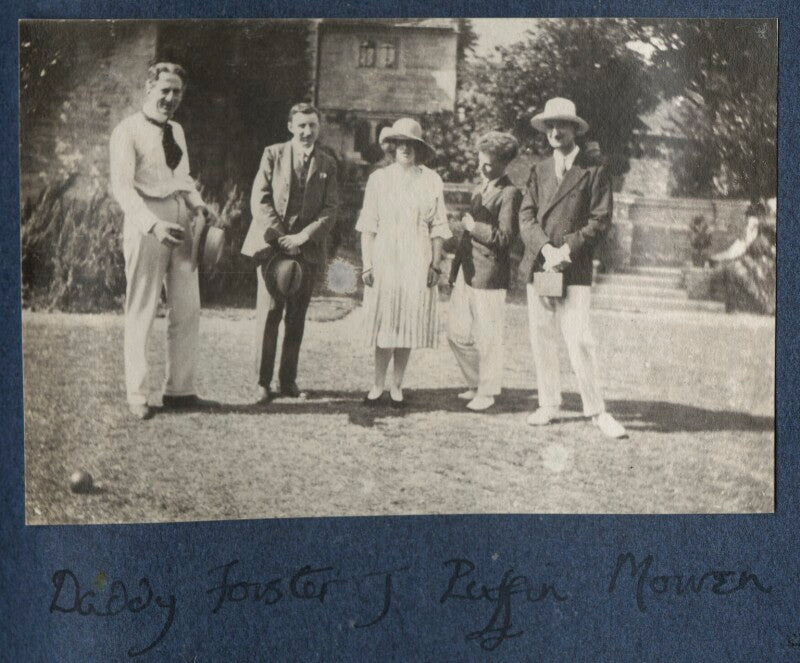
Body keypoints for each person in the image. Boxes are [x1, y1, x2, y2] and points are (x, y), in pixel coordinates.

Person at [110, 62, 215, 420]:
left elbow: (182, 179)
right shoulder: (127, 131)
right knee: (141, 309)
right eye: (164, 90)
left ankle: (180, 390)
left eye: (177, 92)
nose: (170, 98)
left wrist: (200, 206)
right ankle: (137, 395)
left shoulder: (178, 131)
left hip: (181, 219)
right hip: (147, 222)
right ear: (148, 88)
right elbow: (122, 188)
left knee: (187, 308)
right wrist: (152, 225)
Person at [519, 97, 626, 438]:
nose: (554, 131)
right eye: (549, 125)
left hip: (574, 268)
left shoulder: (594, 169)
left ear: (575, 129)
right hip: (543, 266)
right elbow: (526, 216)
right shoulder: (538, 170)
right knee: (543, 337)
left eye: (561, 124)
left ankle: (596, 410)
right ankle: (549, 403)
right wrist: (545, 249)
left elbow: (600, 219)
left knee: (579, 339)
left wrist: (566, 249)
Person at [241, 102, 339, 403]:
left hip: (306, 249)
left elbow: (331, 208)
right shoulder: (273, 154)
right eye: (301, 125)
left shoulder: (327, 163)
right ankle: (262, 383)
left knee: (296, 317)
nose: (307, 131)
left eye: (312, 125)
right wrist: (283, 239)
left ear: (318, 128)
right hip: (272, 247)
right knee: (270, 314)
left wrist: (303, 237)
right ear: (290, 127)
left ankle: (288, 381)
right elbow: (260, 199)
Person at [356, 117, 452, 407]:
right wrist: (367, 264)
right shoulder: (379, 179)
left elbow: (438, 225)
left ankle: (397, 385)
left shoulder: (431, 179)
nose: (406, 149)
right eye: (401, 143)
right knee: (384, 320)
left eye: (412, 144)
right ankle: (376, 385)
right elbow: (368, 226)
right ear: (392, 146)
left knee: (408, 321)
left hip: (417, 255)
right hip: (385, 255)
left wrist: (435, 265)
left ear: (419, 148)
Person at [447, 131, 522, 411]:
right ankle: (477, 381)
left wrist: (473, 227)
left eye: (488, 164)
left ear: (504, 164)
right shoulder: (480, 190)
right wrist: (454, 270)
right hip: (467, 272)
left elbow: (505, 238)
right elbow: (466, 240)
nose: (482, 168)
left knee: (488, 337)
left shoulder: (510, 194)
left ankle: (487, 392)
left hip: (490, 275)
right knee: (455, 333)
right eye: (481, 161)